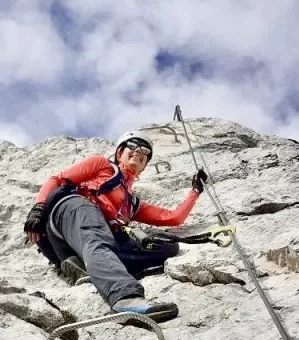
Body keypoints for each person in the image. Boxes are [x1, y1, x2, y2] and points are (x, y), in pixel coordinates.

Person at [23, 132, 207, 323]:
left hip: (96, 238)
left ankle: (94, 268)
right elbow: (57, 180)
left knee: (166, 245)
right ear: (119, 153)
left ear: (144, 167)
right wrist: (38, 208)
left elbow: (173, 218)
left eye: (145, 151)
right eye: (133, 146)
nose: (138, 151)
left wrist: (195, 191)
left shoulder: (131, 203)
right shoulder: (102, 165)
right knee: (92, 224)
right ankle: (124, 298)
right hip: (74, 213)